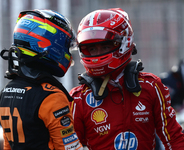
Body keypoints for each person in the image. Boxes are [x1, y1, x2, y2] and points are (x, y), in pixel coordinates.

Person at [69, 8, 184, 150]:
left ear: (124, 43)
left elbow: (174, 139)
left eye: (105, 46)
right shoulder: (78, 98)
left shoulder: (151, 86)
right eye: (92, 49)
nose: (98, 54)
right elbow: (68, 146)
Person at [0, 9, 83, 150]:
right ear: (50, 44)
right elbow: (69, 148)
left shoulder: (5, 92)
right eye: (67, 46)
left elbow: (8, 146)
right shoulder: (51, 97)